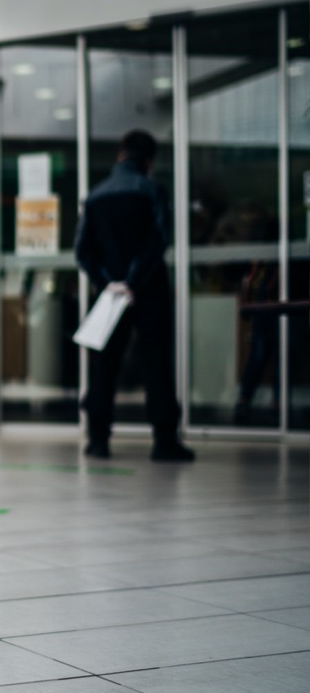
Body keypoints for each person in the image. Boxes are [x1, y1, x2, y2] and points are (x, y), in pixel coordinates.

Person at [76, 130, 194, 462]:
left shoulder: (95, 196)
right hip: (149, 290)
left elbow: (83, 252)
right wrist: (132, 281)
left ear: (120, 155)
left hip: (109, 294)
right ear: (149, 161)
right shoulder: (152, 190)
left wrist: (110, 283)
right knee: (156, 362)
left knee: (104, 366)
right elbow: (158, 241)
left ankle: (98, 440)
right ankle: (164, 441)